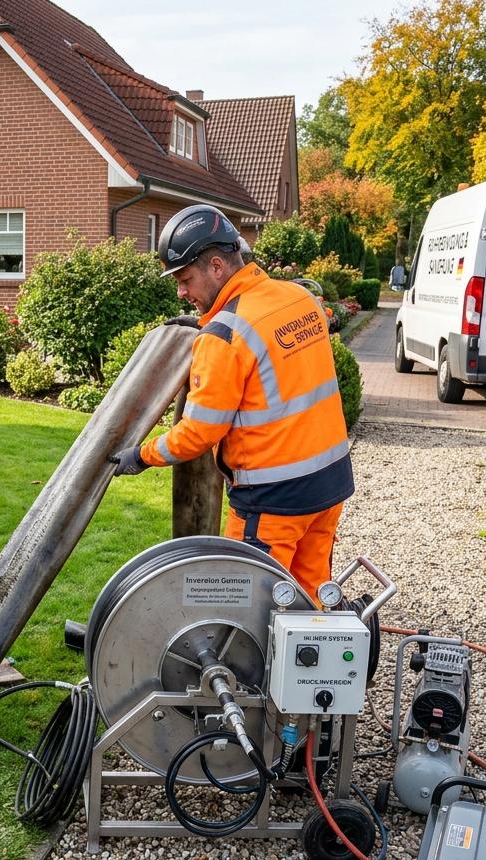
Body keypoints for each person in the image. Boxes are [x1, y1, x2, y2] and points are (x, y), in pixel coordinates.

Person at [110, 204, 354, 600]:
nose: (181, 292)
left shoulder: (224, 337)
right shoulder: (298, 298)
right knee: (310, 599)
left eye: (186, 279)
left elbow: (198, 434)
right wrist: (211, 320)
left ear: (218, 267)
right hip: (330, 483)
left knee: (251, 609)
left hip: (272, 499)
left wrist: (141, 455)